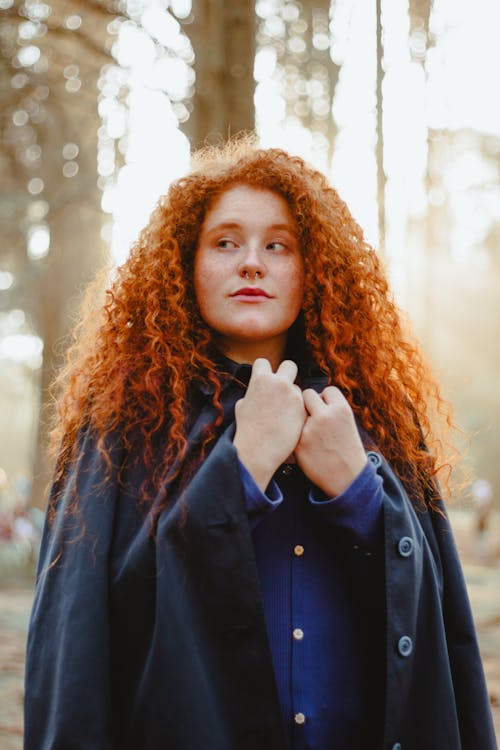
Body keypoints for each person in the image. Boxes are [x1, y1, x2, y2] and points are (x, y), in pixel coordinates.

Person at [24, 139, 497, 750]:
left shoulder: (374, 417)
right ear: (186, 265)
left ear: (312, 268)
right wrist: (242, 468)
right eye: (225, 243)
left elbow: (434, 621)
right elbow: (83, 629)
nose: (252, 263)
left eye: (278, 245)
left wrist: (359, 491)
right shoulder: (121, 423)